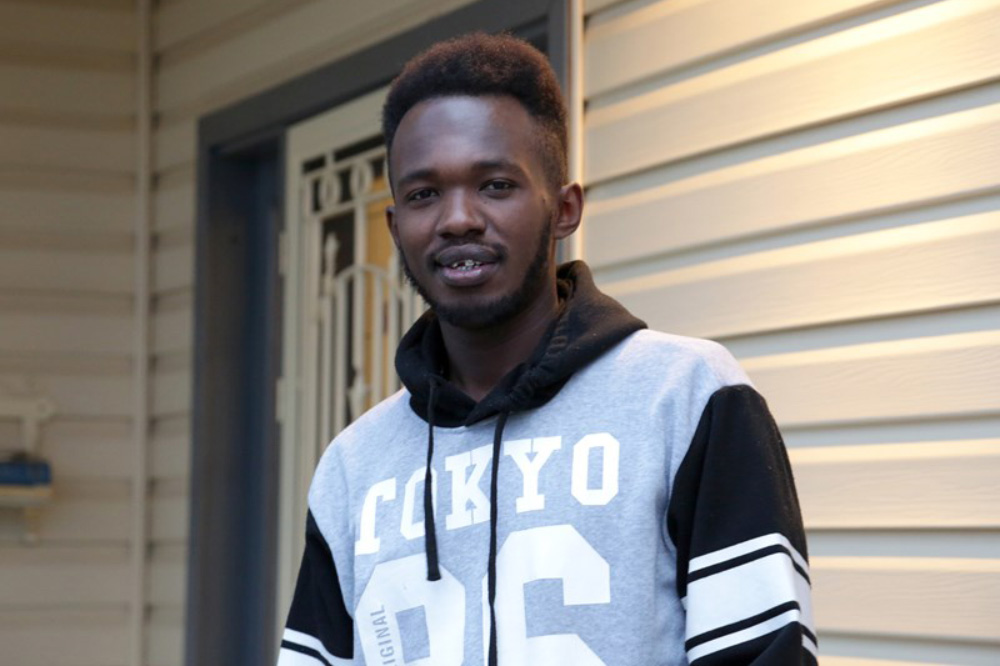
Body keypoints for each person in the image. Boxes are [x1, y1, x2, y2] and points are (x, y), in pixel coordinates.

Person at [277, 33, 816, 666]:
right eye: (424, 194)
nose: (457, 219)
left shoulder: (688, 397)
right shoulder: (352, 468)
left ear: (564, 209)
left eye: (496, 185)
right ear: (396, 227)